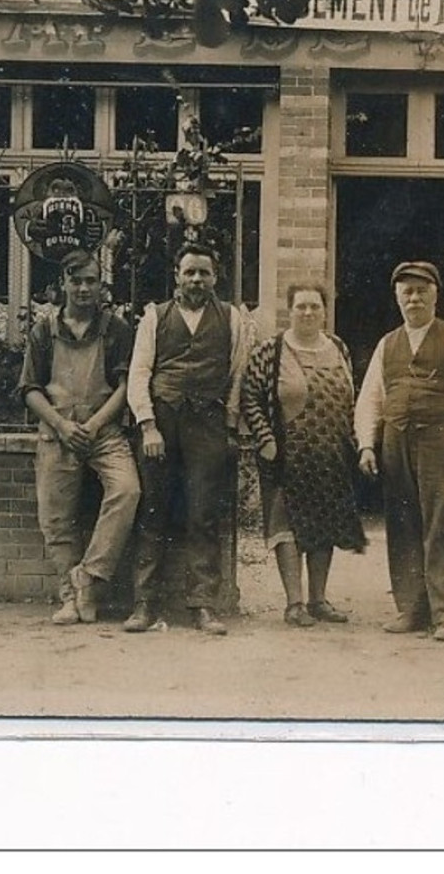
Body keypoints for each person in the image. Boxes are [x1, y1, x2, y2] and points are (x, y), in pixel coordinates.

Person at [354, 261, 444, 642]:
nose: (414, 298)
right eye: (406, 292)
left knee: (443, 522)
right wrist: (367, 443)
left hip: (441, 441)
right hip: (396, 442)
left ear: (435, 294)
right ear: (397, 298)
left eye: (421, 291)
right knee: (402, 524)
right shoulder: (388, 344)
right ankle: (411, 609)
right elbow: (370, 398)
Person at [123, 242, 255, 636]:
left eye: (204, 273)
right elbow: (138, 373)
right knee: (152, 512)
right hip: (162, 424)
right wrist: (147, 424)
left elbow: (237, 375)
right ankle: (144, 604)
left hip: (208, 425)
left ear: (215, 277)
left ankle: (203, 605)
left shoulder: (231, 319)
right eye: (189, 272)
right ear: (177, 276)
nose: (196, 279)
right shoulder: (155, 317)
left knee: (203, 514)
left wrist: (229, 424)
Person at [16, 249, 140, 626]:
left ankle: (89, 576)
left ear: (101, 285)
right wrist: (61, 425)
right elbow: (29, 389)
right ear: (63, 285)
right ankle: (71, 598)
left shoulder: (116, 329)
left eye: (90, 280)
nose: (84, 288)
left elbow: (125, 384)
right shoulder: (43, 331)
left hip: (103, 431)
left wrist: (97, 423)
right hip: (58, 431)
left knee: (127, 489)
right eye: (76, 280)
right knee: (55, 517)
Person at [240, 283, 367, 628]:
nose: (308, 313)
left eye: (315, 307)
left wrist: (354, 443)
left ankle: (318, 600)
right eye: (301, 307)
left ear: (325, 311)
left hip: (329, 455)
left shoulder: (338, 347)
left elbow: (352, 399)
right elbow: (250, 396)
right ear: (290, 310)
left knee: (323, 524)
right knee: (287, 527)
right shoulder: (272, 350)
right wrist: (265, 439)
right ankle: (294, 603)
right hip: (285, 454)